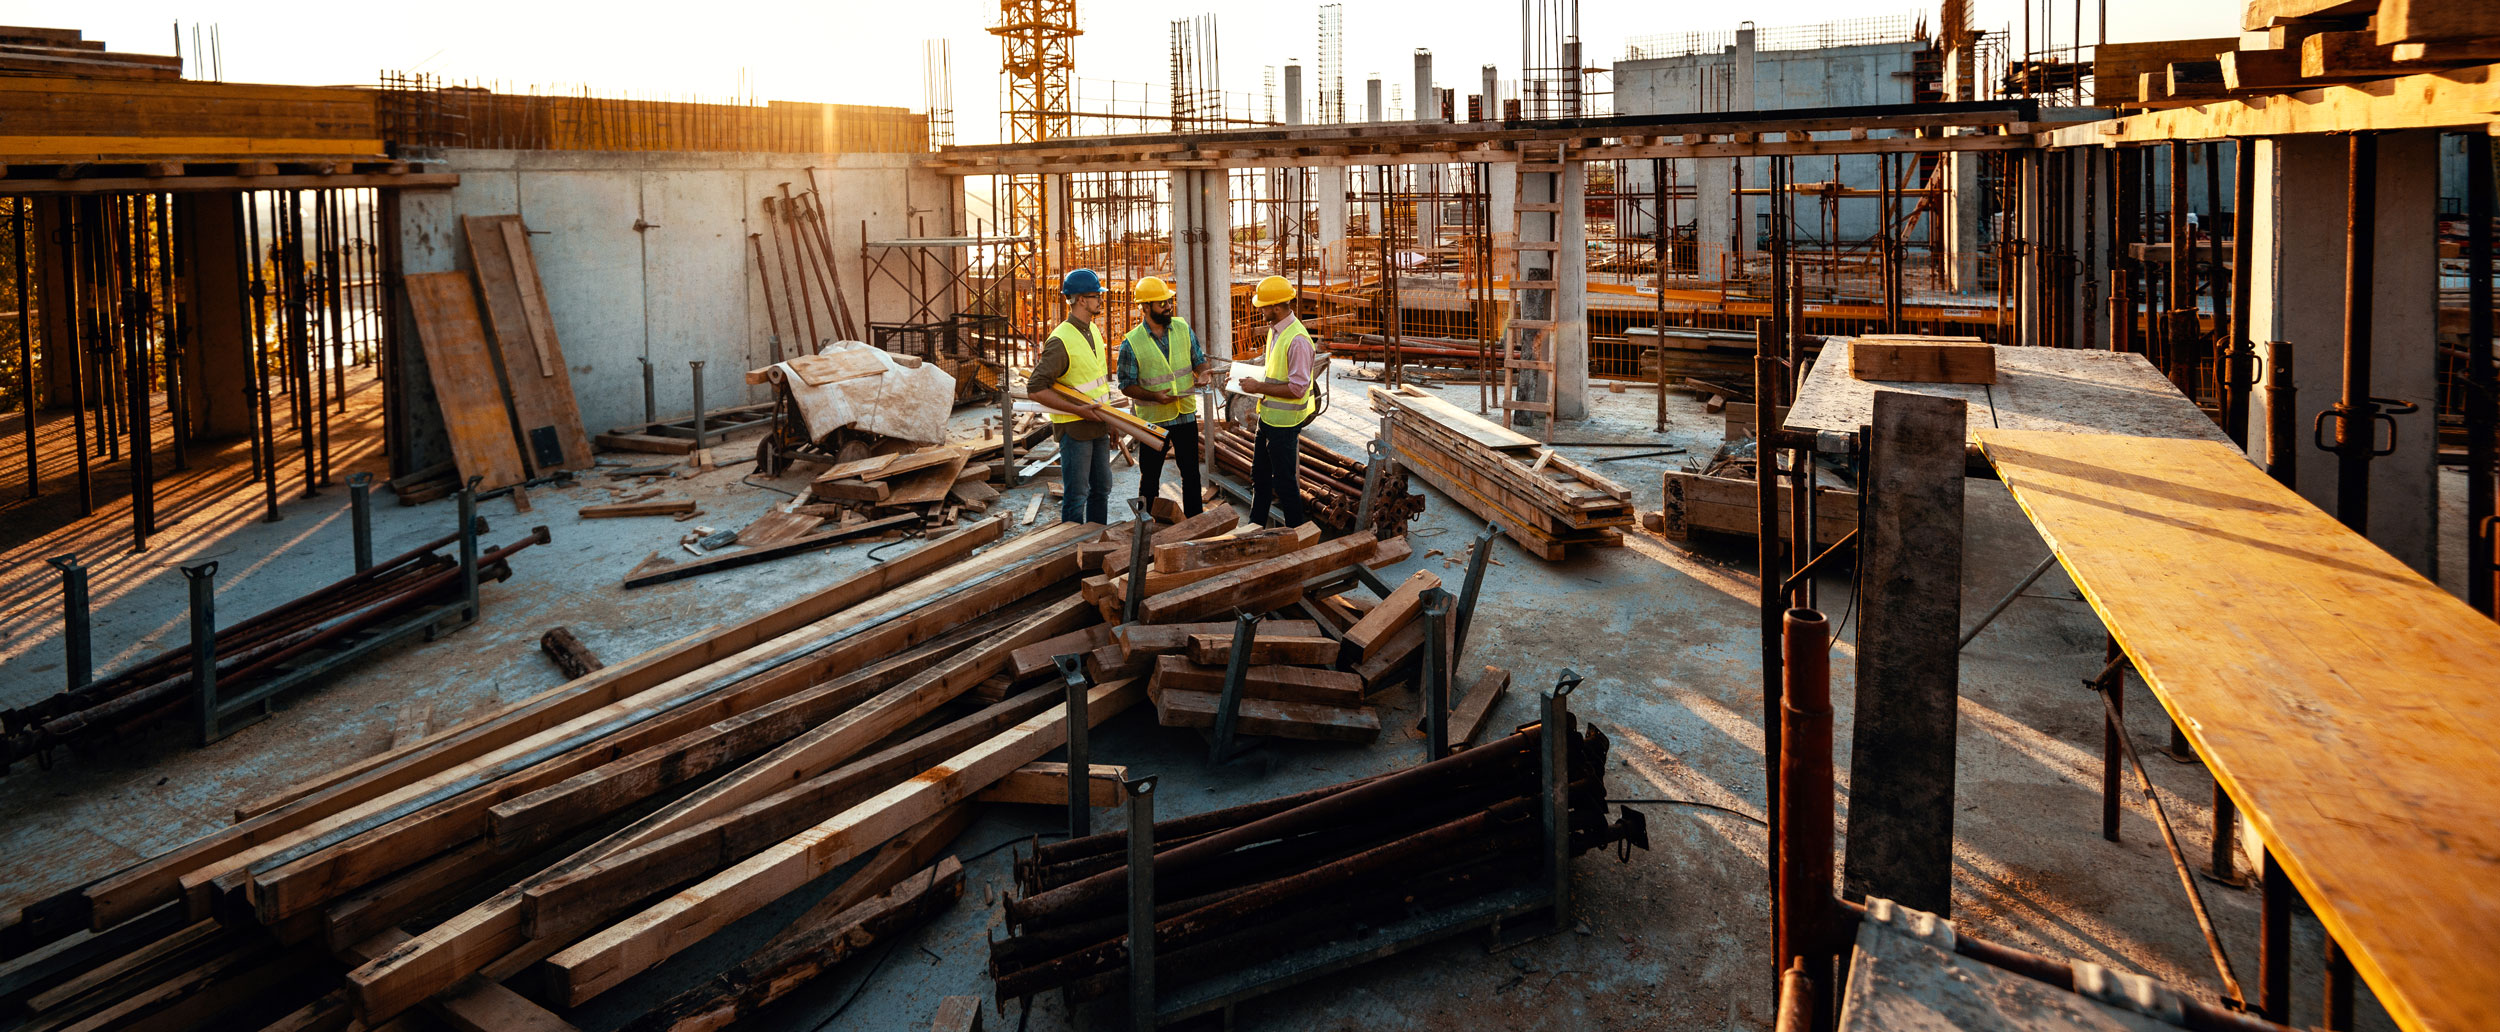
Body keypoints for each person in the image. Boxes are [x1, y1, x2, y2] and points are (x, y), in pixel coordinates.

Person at [1118, 276, 1217, 518]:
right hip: (1153, 419)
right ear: (1145, 307)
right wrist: (1153, 396)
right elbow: (1126, 385)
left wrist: (1204, 373)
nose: (1168, 306)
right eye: (1162, 303)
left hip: (1184, 415)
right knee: (1150, 478)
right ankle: (1143, 525)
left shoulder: (1182, 329)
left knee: (1191, 474)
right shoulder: (1131, 343)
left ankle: (1195, 522)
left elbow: (1199, 361)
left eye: (1169, 301)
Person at [1027, 268, 1117, 524]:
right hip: (1075, 429)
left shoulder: (1093, 331)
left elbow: (1097, 385)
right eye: (1096, 295)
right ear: (1080, 299)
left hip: (1098, 424)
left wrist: (1110, 422)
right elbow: (1035, 388)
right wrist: (1078, 410)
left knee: (1102, 490)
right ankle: (1071, 552)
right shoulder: (1061, 340)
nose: (1100, 300)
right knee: (1077, 495)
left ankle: (1096, 543)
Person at [1235, 275, 1315, 527]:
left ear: (1277, 307)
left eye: (1263, 306)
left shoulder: (1297, 340)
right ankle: (1255, 526)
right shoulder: (1276, 331)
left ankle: (1296, 532)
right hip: (1268, 418)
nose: (1259, 309)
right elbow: (1275, 372)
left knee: (1284, 482)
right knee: (1259, 476)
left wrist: (1258, 387)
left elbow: (1298, 388)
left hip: (1285, 423)